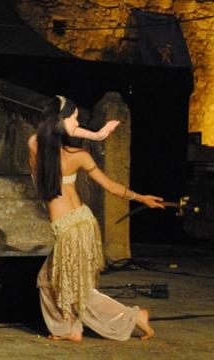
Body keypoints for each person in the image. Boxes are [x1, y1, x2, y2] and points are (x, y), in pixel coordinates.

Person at [28, 95, 162, 342]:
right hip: (81, 222)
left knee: (71, 286)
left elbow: (111, 186)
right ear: (61, 121)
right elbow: (110, 186)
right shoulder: (75, 154)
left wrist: (141, 197)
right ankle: (71, 328)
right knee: (54, 281)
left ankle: (134, 317)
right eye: (75, 119)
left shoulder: (38, 147)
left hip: (71, 229)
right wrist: (97, 135)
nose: (79, 125)